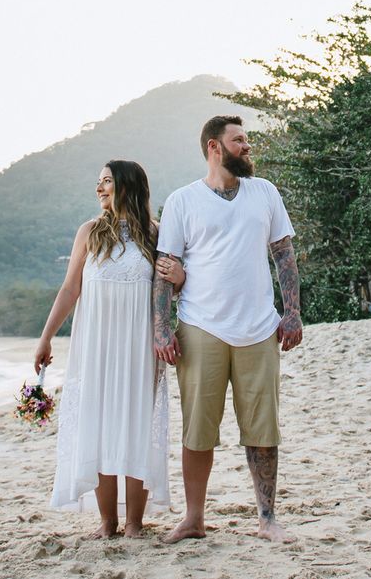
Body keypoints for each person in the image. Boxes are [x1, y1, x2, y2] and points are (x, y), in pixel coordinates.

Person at [151, 114, 302, 543]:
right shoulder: (183, 200)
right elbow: (166, 270)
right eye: (239, 141)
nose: (247, 147)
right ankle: (193, 518)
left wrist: (292, 313)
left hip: (259, 327)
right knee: (198, 429)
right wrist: (163, 329)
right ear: (214, 147)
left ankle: (268, 518)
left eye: (247, 140)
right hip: (201, 326)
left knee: (263, 428)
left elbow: (284, 256)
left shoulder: (265, 193)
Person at [34, 159, 183, 537]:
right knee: (98, 426)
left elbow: (174, 288)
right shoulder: (89, 232)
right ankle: (107, 522)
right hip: (96, 346)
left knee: (135, 426)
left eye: (106, 182)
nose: (99, 188)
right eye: (98, 182)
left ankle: (134, 522)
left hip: (139, 347)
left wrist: (181, 279)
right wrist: (46, 336)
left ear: (128, 186)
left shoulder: (156, 234)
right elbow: (70, 289)